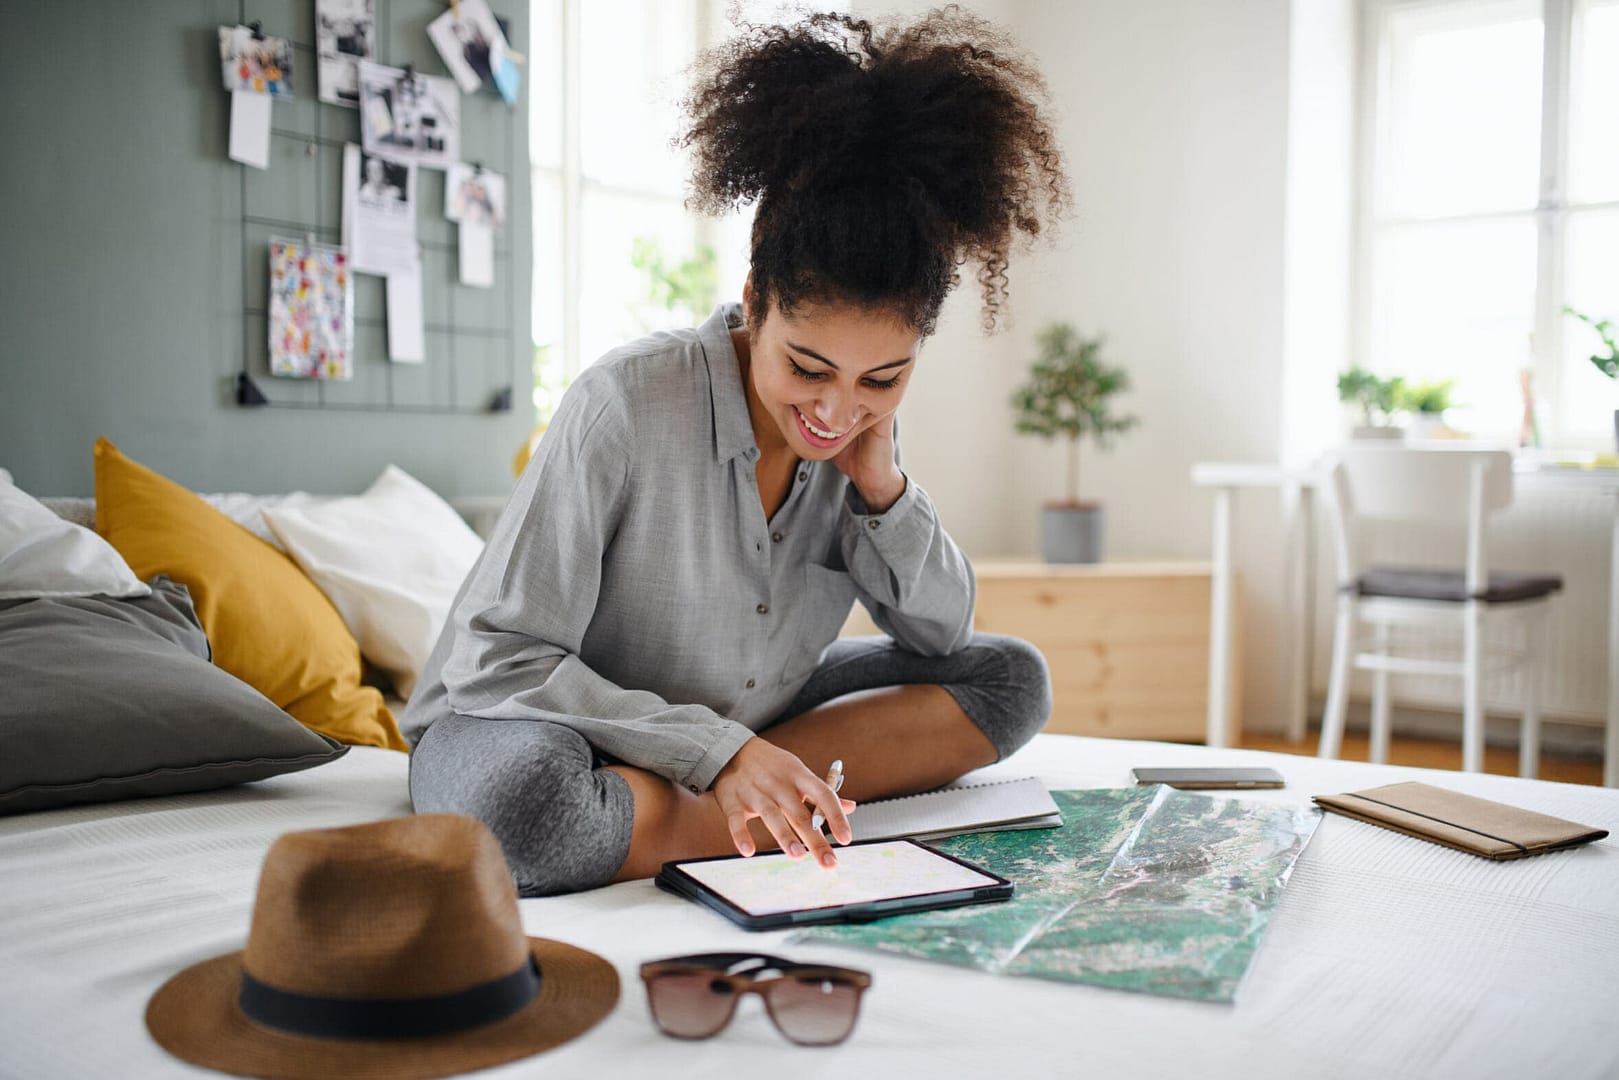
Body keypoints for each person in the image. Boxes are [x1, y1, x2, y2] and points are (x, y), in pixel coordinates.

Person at [404, 8, 1070, 896]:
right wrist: (719, 751)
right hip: (539, 719)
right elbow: (499, 661)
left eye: (883, 378)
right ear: (755, 299)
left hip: (746, 705)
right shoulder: (626, 402)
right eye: (807, 366)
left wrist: (882, 489)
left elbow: (941, 636)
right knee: (528, 811)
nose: (836, 410)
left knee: (1010, 678)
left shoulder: (857, 436)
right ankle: (744, 799)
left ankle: (700, 800)